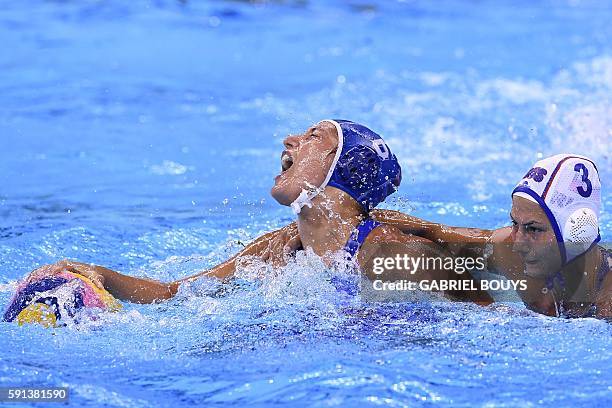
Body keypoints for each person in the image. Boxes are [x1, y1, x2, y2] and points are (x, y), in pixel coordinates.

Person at [23, 120, 492, 308]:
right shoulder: (281, 250)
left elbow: (488, 310)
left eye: (312, 137)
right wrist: (99, 275)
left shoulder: (388, 250)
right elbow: (175, 294)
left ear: (341, 168)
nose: (289, 141)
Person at [372, 154, 610, 319]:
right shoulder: (511, 251)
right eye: (514, 223)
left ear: (578, 232)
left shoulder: (606, 305)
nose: (518, 243)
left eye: (533, 229)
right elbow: (435, 233)